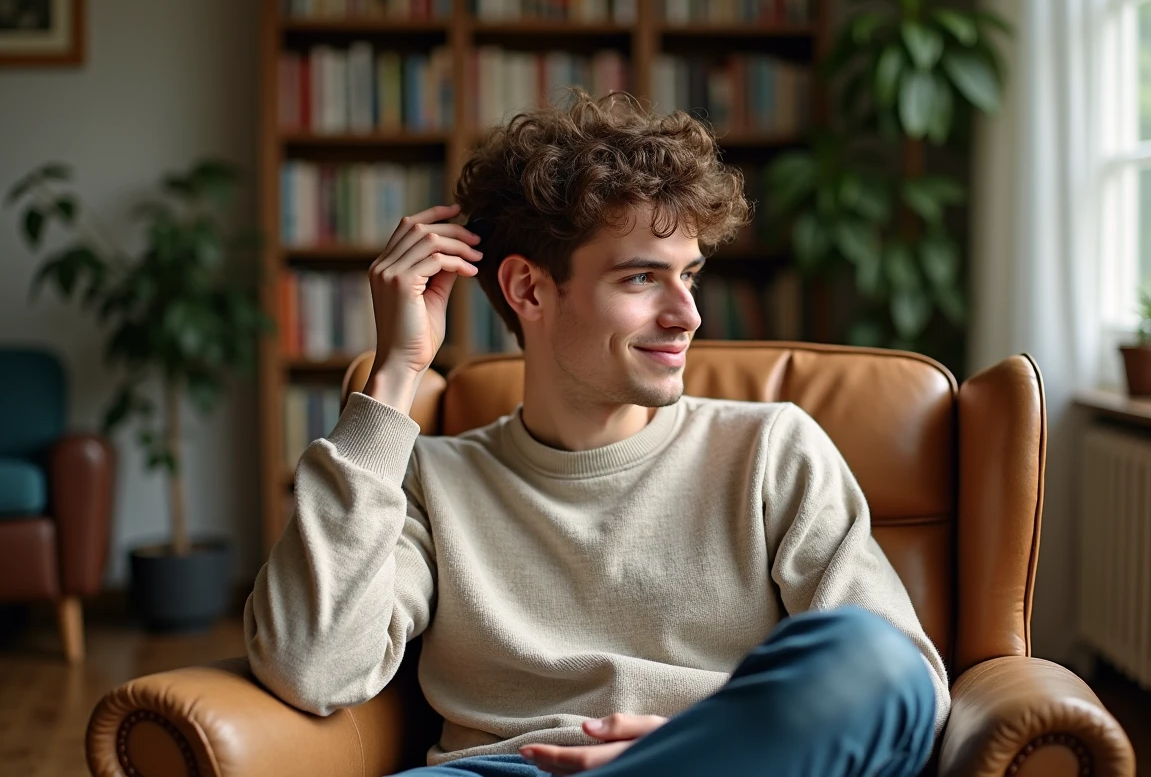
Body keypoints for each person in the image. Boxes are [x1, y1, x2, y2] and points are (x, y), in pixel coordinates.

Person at [245, 90, 950, 777]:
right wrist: (397, 373)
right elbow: (311, 667)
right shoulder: (428, 480)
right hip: (500, 770)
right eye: (643, 278)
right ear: (527, 290)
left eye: (690, 277)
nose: (688, 316)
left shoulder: (771, 450)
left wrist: (695, 748)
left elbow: (900, 684)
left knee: (868, 652)